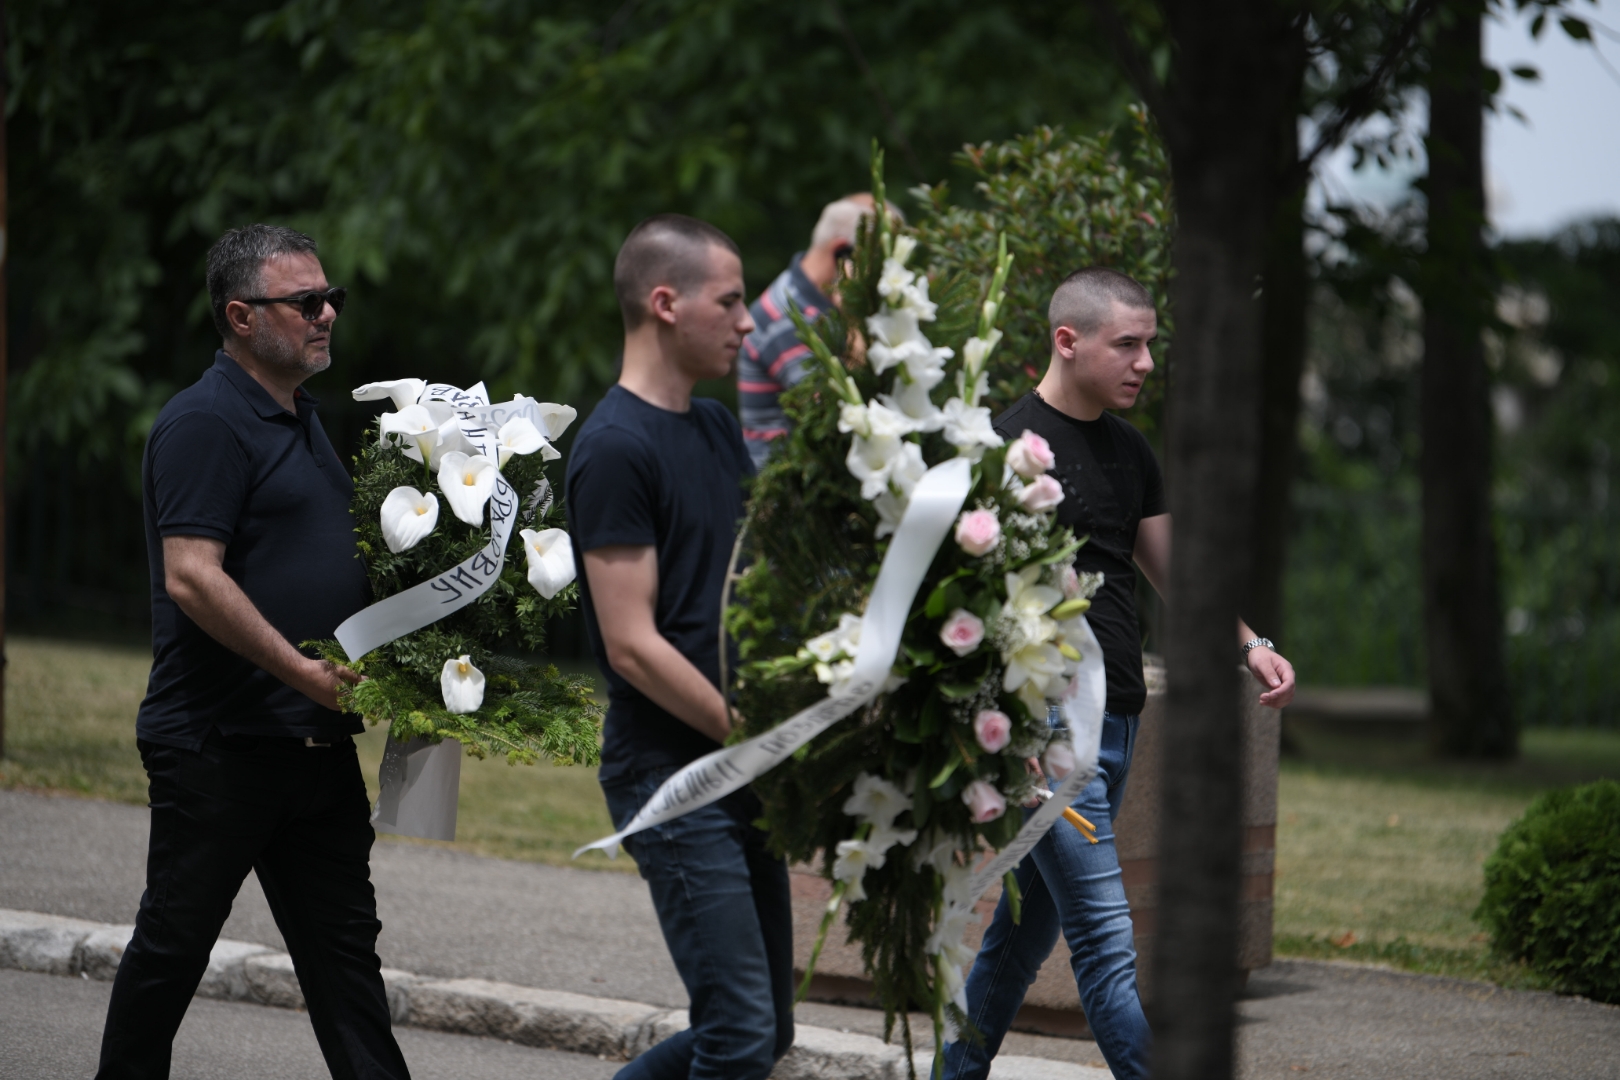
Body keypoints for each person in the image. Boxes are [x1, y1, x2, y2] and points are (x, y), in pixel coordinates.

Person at [941, 267, 1297, 1080]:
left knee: (1019, 940)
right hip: (1046, 735)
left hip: (1117, 723)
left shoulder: (1128, 450)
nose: (1144, 361)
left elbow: (1179, 579)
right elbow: (965, 609)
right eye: (1126, 344)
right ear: (1068, 341)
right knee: (1106, 950)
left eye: (1150, 344)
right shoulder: (1006, 449)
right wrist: (1013, 732)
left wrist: (1250, 646)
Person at [96, 225, 410, 1080]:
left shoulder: (303, 420)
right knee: (171, 955)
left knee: (348, 974)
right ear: (241, 316)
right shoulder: (203, 422)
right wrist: (301, 672)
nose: (327, 314)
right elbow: (193, 579)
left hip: (311, 750)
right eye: (305, 302)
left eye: (331, 298)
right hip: (220, 747)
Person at [566, 214, 794, 1080]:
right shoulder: (616, 447)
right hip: (670, 770)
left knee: (762, 1033)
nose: (747, 321)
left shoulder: (713, 428)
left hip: (739, 760)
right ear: (665, 303)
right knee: (738, 1033)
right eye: (730, 301)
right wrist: (750, 731)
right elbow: (630, 646)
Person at [738, 193, 899, 467]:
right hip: (783, 487)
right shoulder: (788, 317)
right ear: (841, 253)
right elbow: (834, 414)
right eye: (879, 259)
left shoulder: (816, 300)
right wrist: (855, 317)